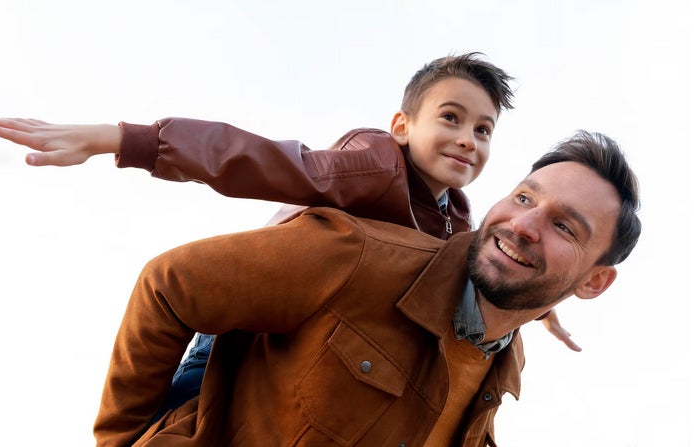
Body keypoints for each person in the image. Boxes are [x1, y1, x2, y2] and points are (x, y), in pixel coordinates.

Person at [0, 53, 577, 404]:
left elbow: (482, 268)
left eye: (484, 129)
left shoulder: (459, 220)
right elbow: (263, 160)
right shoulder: (375, 161)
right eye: (451, 118)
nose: (468, 139)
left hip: (320, 354)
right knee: (194, 420)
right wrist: (122, 139)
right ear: (401, 125)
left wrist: (540, 305)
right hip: (245, 334)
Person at [90, 130, 641, 446]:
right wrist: (121, 441)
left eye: (564, 225)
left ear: (594, 282)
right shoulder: (357, 255)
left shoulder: (502, 371)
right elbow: (169, 284)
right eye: (524, 198)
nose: (522, 224)